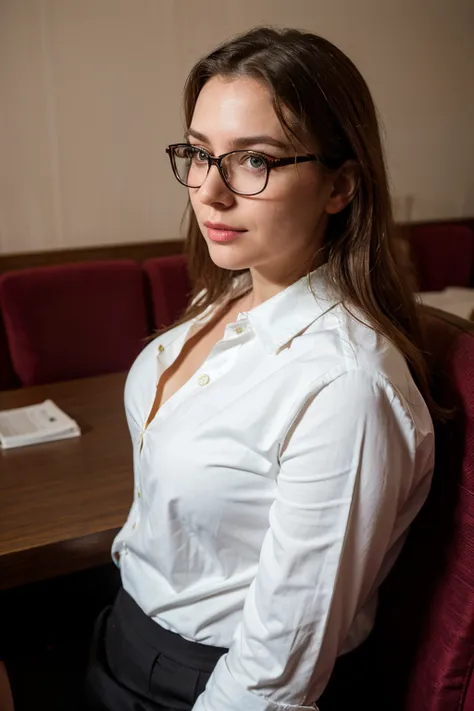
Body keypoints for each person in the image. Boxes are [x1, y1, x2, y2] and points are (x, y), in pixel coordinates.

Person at [84, 26, 435, 711]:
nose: (209, 191)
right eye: (199, 153)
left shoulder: (346, 385)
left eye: (253, 161)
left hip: (205, 682)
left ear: (341, 185)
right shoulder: (227, 292)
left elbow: (276, 671)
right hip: (125, 631)